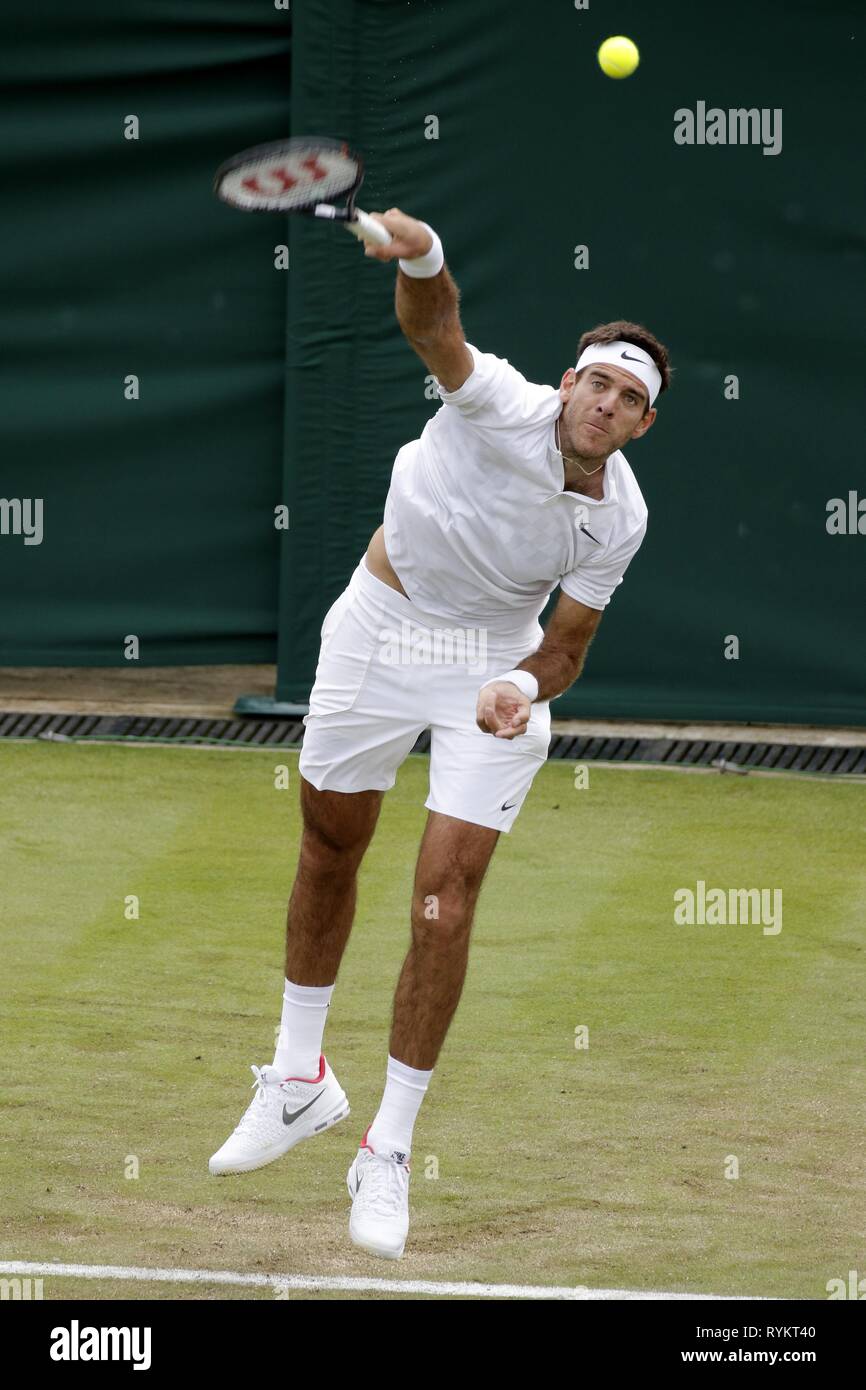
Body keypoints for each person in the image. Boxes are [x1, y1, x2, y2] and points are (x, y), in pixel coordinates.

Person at [209, 209, 673, 1260]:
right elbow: (435, 328)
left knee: (441, 899)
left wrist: (519, 683)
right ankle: (296, 1081)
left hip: (488, 672)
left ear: (642, 424)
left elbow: (568, 645)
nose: (607, 404)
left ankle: (388, 1146)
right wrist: (419, 254)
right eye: (598, 382)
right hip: (377, 626)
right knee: (329, 844)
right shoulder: (500, 400)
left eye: (631, 399)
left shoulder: (619, 518)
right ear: (567, 382)